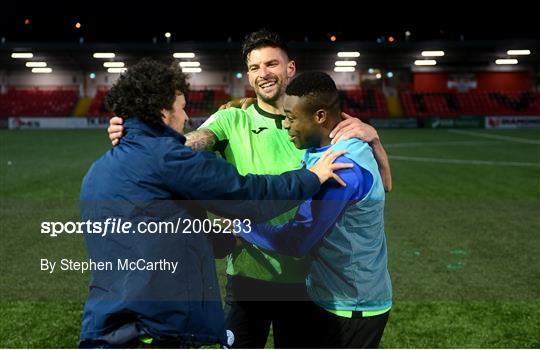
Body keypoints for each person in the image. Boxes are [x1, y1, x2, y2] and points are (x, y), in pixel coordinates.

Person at [108, 30, 392, 348]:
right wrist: (142, 139)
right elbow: (191, 144)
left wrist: (375, 138)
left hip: (305, 283)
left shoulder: (317, 125)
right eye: (255, 67)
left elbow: (376, 185)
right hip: (246, 277)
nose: (263, 73)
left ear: (291, 68)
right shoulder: (231, 118)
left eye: (271, 63)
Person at [236, 71, 392, 348]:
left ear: (320, 117)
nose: (285, 125)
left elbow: (297, 242)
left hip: (351, 307)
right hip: (333, 295)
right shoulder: (326, 149)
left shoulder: (341, 169)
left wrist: (243, 227)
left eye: (292, 118)